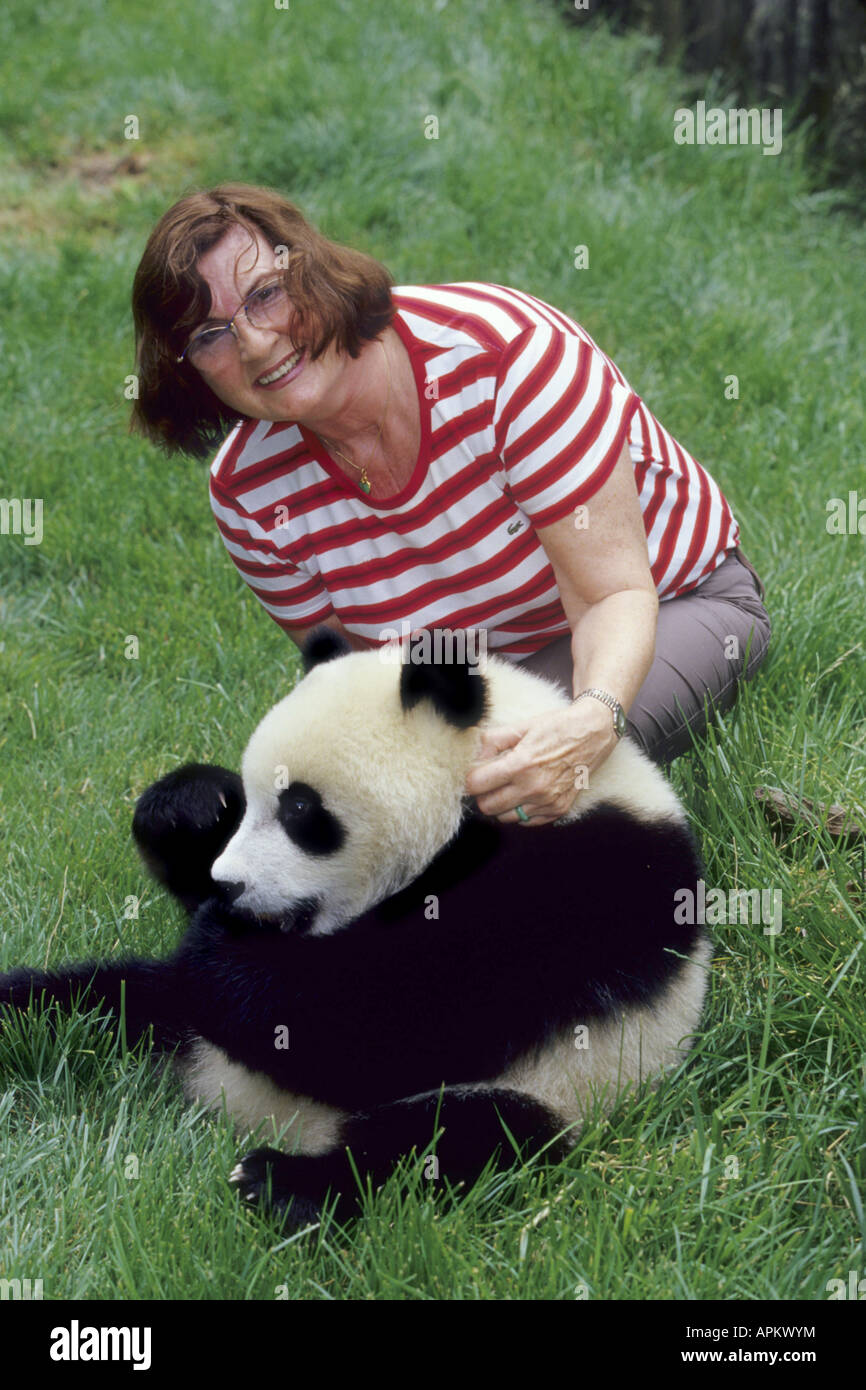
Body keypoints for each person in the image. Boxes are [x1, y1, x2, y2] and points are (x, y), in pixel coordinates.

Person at [131, 183, 771, 827]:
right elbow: (368, 682)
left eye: (265, 294)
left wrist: (588, 724)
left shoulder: (507, 358)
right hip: (485, 673)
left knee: (501, 805)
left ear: (312, 268)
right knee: (409, 816)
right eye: (211, 334)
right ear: (188, 368)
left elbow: (612, 597)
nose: (256, 343)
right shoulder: (247, 493)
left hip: (667, 608)